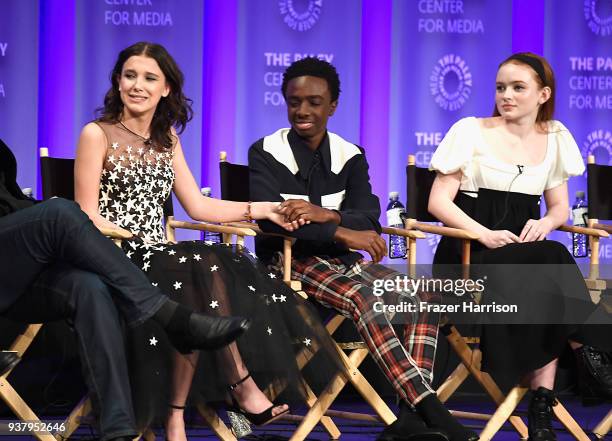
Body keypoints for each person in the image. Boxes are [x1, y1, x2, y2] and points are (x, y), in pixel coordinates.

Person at [74, 42, 338, 441]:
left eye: (149, 78)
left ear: (166, 89)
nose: (138, 85)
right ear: (117, 81)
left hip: (160, 256)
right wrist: (126, 237)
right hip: (114, 255)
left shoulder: (167, 140)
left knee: (200, 275)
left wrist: (263, 209)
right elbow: (85, 215)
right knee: (200, 267)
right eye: (130, 75)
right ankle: (240, 387)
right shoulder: (97, 134)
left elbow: (198, 206)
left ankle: (178, 416)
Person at [248, 57, 478, 441]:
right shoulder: (266, 151)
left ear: (333, 105)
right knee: (365, 299)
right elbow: (273, 225)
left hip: (343, 263)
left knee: (423, 296)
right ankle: (432, 409)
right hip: (290, 263)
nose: (302, 110)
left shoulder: (350, 154)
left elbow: (369, 220)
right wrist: (342, 233)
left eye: (314, 102)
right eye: (294, 101)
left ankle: (408, 419)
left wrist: (325, 216)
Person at [0, 138, 249, 441]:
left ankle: (117, 430)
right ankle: (173, 319)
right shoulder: (97, 135)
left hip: (13, 271)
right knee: (60, 213)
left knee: (88, 286)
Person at [428, 52, 612, 441]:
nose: (505, 95)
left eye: (517, 87)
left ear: (543, 94)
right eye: (500, 87)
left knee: (545, 273)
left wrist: (546, 221)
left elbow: (559, 205)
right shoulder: (470, 131)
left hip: (526, 255)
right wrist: (483, 234)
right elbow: (438, 203)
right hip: (470, 251)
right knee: (552, 260)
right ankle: (589, 350)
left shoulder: (556, 136)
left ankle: (541, 405)